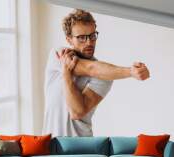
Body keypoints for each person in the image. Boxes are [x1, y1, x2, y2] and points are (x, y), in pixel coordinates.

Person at [42, 9, 150, 137]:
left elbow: (77, 112)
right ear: (69, 39)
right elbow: (89, 68)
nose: (89, 42)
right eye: (81, 38)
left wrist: (66, 74)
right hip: (49, 147)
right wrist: (129, 72)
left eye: (92, 36)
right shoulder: (59, 55)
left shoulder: (105, 75)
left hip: (83, 149)